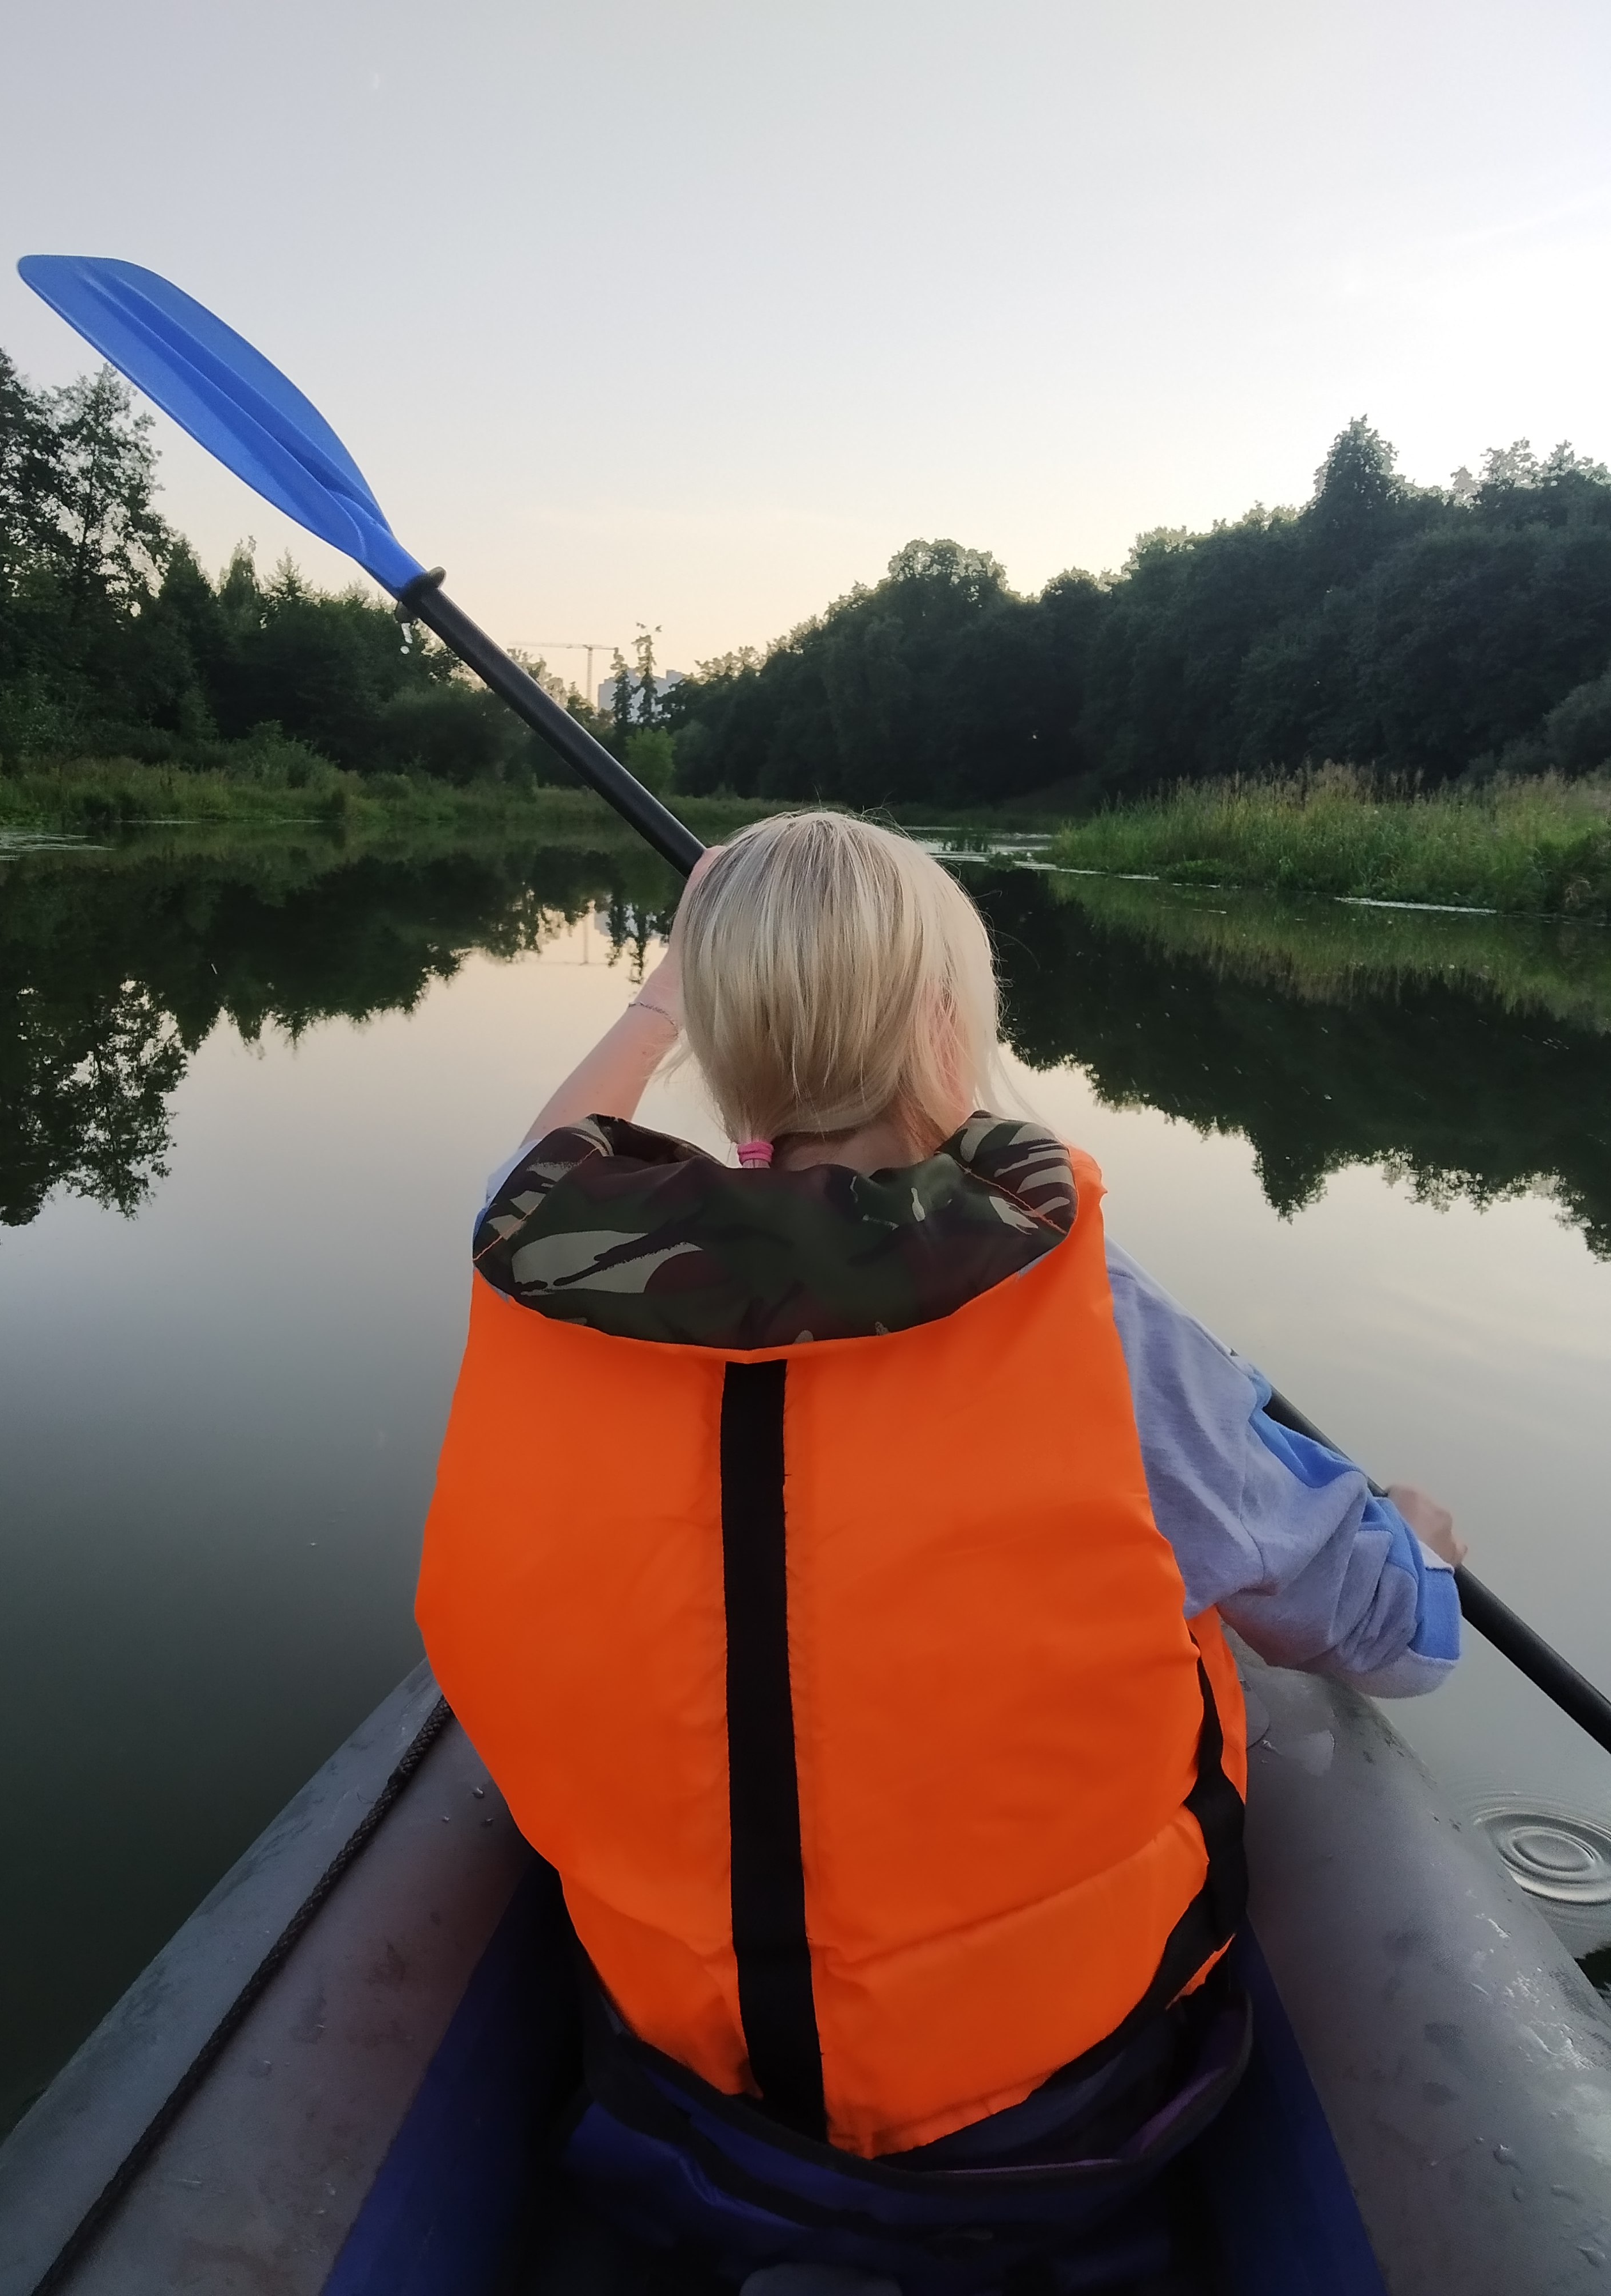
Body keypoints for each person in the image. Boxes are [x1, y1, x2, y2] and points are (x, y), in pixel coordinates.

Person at [415, 813, 1462, 2290]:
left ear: (718, 1038)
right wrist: (1416, 1543)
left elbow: (532, 1168)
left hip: (685, 2078)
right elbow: (1378, 1636)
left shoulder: (546, 1274)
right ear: (941, 1020)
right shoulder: (1088, 1311)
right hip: (1063, 2117)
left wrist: (659, 1003)